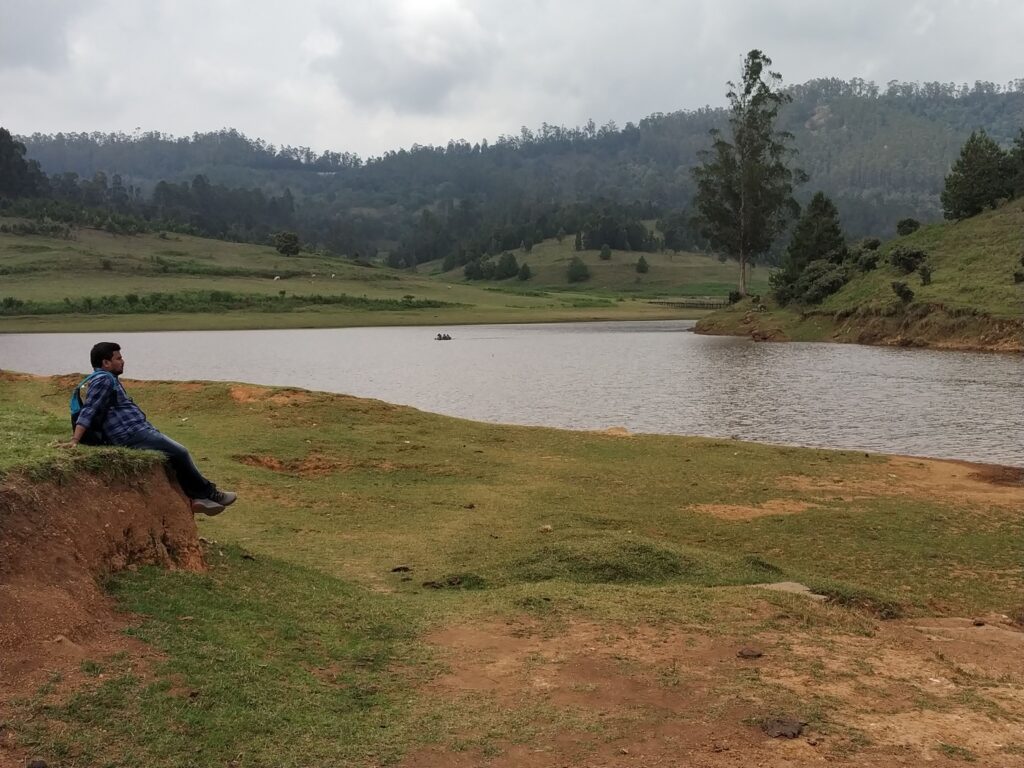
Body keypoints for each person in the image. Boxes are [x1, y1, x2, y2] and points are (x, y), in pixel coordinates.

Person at [61, 342, 237, 515]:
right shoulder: (103, 380)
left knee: (172, 456)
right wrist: (75, 440)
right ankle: (210, 494)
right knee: (181, 452)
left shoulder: (107, 379)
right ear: (106, 363)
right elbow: (89, 410)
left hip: (137, 430)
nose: (123, 361)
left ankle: (198, 499)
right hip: (130, 434)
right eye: (118, 358)